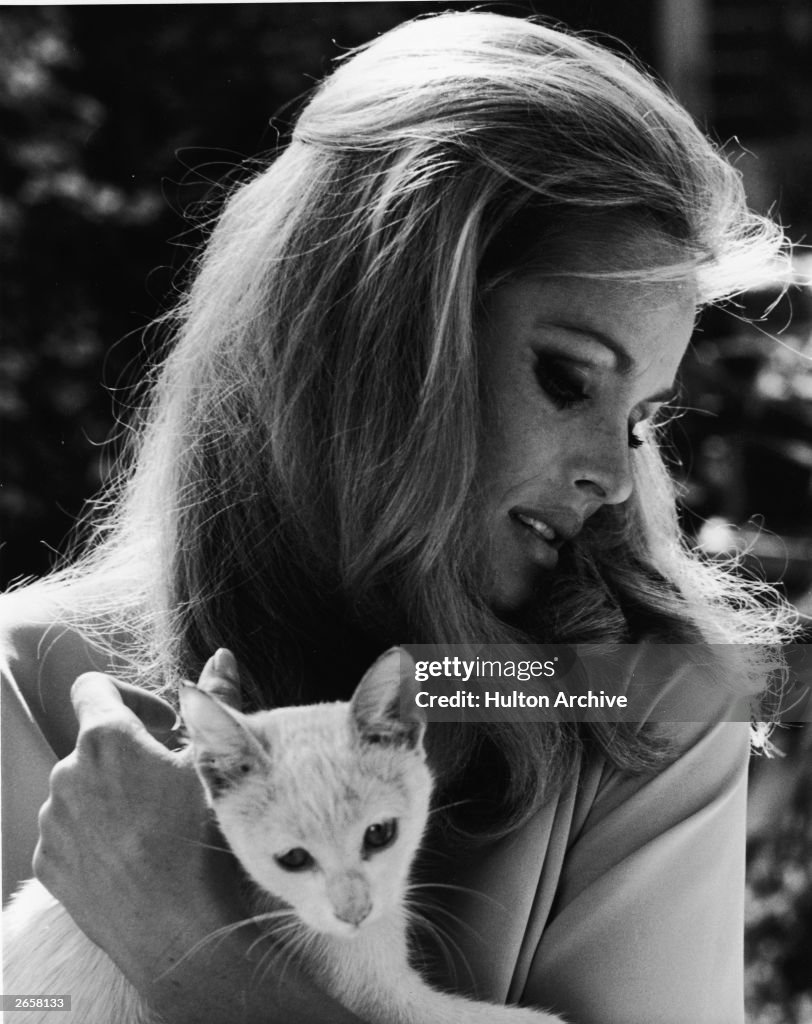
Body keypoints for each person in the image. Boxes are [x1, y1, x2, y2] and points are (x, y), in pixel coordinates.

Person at [0, 11, 796, 1024]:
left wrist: (183, 947)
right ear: (373, 338)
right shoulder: (21, 690)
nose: (610, 473)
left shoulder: (638, 713)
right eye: (565, 377)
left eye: (639, 419)